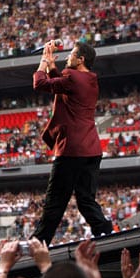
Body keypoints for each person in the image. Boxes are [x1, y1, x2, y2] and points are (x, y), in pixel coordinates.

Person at [31, 40, 113, 244]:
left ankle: (38, 242)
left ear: (81, 59)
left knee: (55, 201)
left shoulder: (72, 77)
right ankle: (105, 232)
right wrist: (52, 65)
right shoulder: (90, 79)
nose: (68, 57)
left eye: (72, 54)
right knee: (86, 199)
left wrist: (43, 61)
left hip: (71, 149)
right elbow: (63, 85)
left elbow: (39, 84)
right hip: (92, 148)